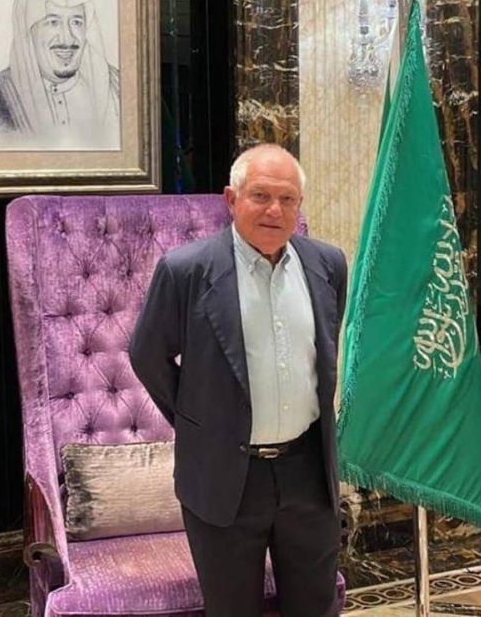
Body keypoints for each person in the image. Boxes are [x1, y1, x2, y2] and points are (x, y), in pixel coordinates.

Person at [129, 144, 347, 617]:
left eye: (287, 199)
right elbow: (147, 355)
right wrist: (202, 420)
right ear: (232, 199)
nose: (274, 211)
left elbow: (324, 354)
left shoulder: (328, 265)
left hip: (309, 474)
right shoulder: (185, 271)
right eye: (261, 196)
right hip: (225, 477)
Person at [0, 0, 120, 151]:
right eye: (53, 22)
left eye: (76, 22)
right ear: (27, 30)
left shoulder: (116, 88)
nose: (67, 38)